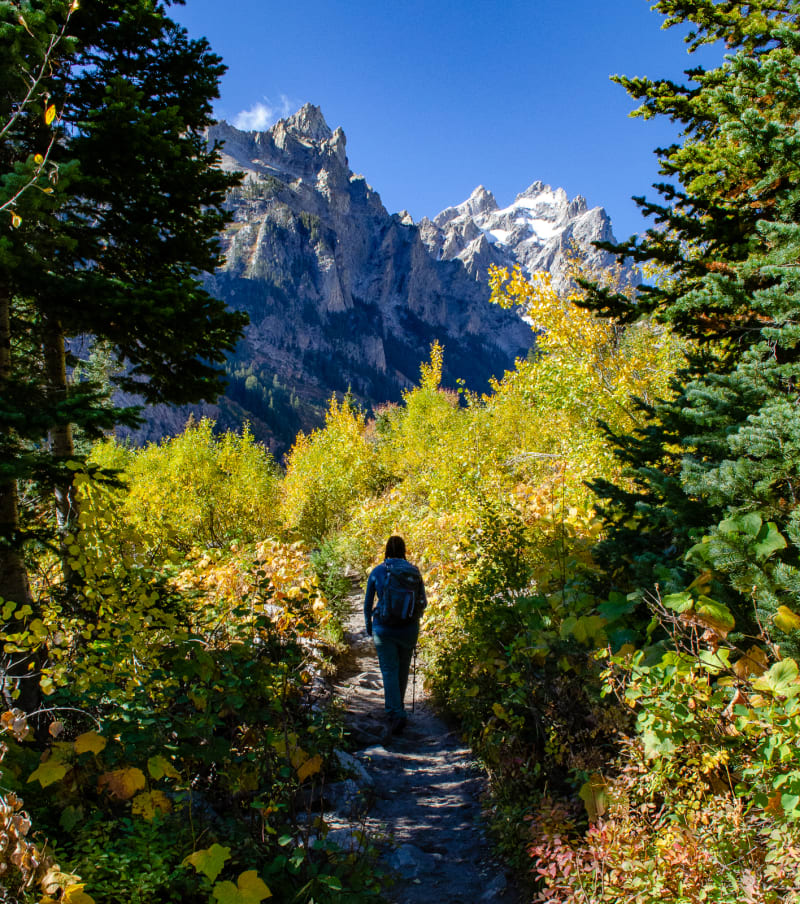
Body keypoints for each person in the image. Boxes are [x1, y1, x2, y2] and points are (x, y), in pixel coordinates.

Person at [363, 535, 426, 738]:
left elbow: (367, 604)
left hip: (384, 628)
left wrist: (369, 626)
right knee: (402, 669)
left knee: (389, 669)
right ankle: (399, 710)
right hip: (408, 629)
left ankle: (395, 713)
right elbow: (423, 602)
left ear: (386, 550)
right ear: (404, 550)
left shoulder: (378, 571)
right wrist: (413, 620)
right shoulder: (413, 572)